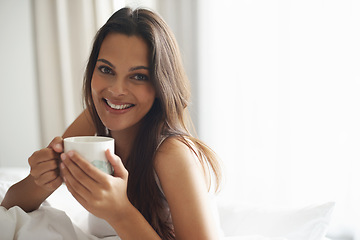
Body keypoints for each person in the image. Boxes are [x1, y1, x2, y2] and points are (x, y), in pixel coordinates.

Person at [1, 7, 222, 240]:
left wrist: (120, 212)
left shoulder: (172, 154)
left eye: (138, 76)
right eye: (106, 69)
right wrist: (41, 180)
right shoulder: (94, 121)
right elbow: (9, 208)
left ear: (160, 85)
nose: (116, 90)